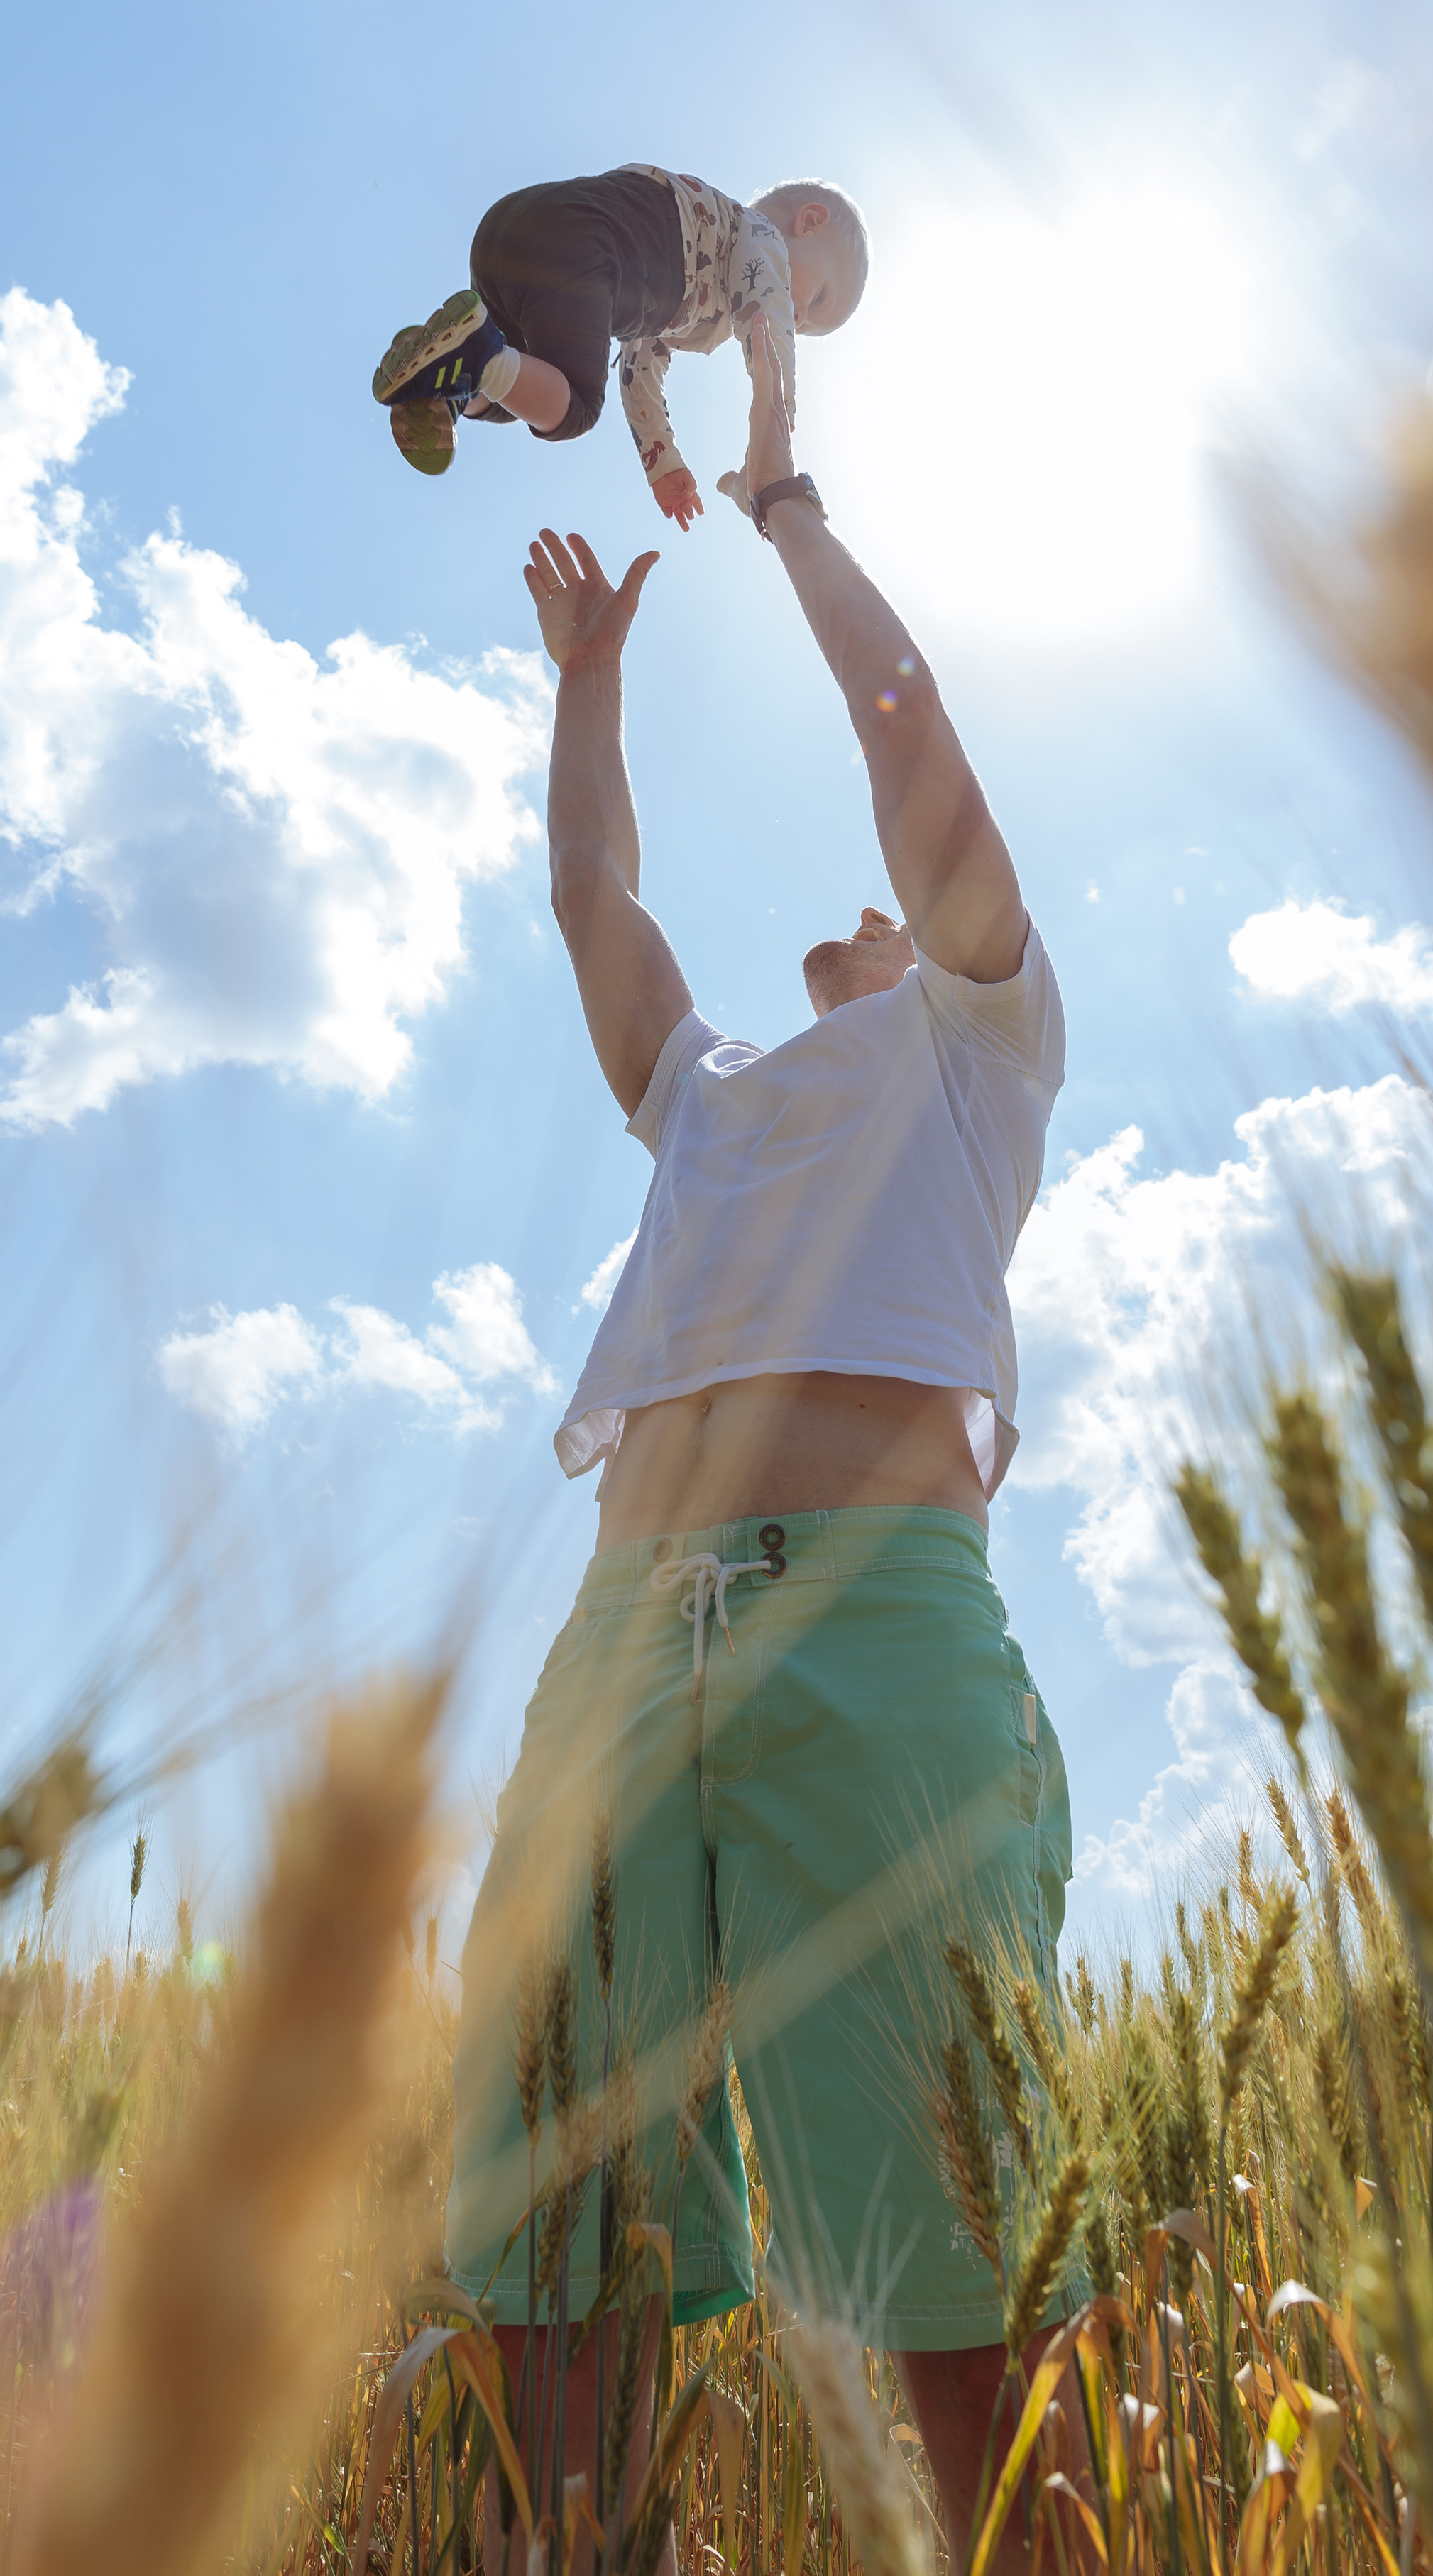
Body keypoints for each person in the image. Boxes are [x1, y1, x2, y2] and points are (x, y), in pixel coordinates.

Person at [446, 319, 1082, 2576]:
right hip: (626, 1633)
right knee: (557, 2243)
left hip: (875, 1614)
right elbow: (594, 908)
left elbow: (915, 751)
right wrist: (588, 672)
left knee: (946, 2266)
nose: (868, 899)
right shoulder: (709, 1092)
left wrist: (789, 506)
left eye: (899, 910)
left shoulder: (978, 1049)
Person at [370, 165, 866, 510]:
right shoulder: (758, 237)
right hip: (585, 247)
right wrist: (780, 412)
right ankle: (474, 359)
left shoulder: (701, 282)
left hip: (513, 240)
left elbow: (639, 364)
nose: (799, 320)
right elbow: (769, 319)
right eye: (817, 300)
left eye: (809, 326)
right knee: (576, 407)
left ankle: (450, 387)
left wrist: (662, 459)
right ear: (809, 222)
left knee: (516, 392)